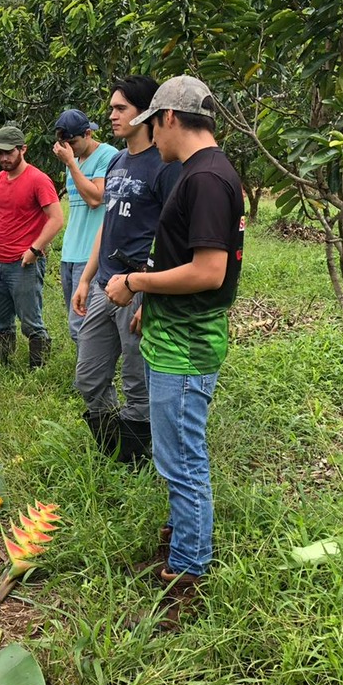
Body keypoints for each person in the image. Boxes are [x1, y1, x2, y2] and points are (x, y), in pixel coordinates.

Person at [104, 74, 244, 632]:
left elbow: (210, 272)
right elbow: (182, 258)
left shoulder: (207, 178)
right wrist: (152, 300)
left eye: (148, 125)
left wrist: (136, 283)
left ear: (167, 119)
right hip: (172, 331)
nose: (147, 138)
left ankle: (188, 571)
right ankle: (180, 541)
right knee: (173, 453)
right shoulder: (197, 172)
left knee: (183, 459)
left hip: (187, 347)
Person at [71, 76, 182, 463]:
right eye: (112, 108)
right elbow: (109, 222)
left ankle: (129, 463)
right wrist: (86, 278)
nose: (112, 115)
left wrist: (148, 297)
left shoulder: (165, 165)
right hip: (105, 286)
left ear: (146, 112)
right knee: (88, 377)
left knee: (138, 384)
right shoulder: (117, 161)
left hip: (138, 288)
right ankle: (112, 447)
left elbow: (172, 236)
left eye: (121, 108)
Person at [0, 124, 63, 368]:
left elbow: (56, 219)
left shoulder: (38, 180)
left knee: (30, 321)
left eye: (9, 152)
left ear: (22, 149)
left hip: (24, 262)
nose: (3, 158)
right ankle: (3, 366)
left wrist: (35, 250)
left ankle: (38, 370)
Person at [52, 109, 118, 345]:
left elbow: (95, 198)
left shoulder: (108, 155)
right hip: (70, 253)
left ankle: (90, 380)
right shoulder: (75, 160)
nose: (69, 148)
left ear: (88, 133)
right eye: (64, 143)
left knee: (84, 327)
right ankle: (86, 378)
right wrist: (72, 162)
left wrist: (70, 164)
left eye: (73, 142)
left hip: (91, 254)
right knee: (76, 326)